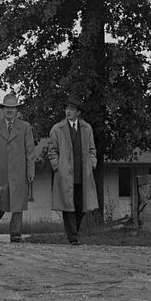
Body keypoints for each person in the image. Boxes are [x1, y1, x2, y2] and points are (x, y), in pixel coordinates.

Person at [0, 93, 36, 243]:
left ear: (17, 110)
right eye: (7, 107)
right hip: (0, 173)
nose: (10, 110)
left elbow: (29, 151)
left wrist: (30, 171)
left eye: (13, 108)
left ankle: (15, 233)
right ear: (2, 109)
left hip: (19, 172)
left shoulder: (25, 127)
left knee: (17, 204)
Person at [47, 95, 98, 245]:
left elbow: (92, 149)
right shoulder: (58, 128)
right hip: (65, 174)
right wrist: (57, 166)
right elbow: (52, 151)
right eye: (67, 108)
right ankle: (73, 237)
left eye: (72, 109)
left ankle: (74, 232)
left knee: (81, 206)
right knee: (68, 206)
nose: (68, 112)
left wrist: (92, 164)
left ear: (78, 112)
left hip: (83, 174)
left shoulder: (86, 128)